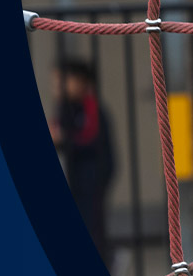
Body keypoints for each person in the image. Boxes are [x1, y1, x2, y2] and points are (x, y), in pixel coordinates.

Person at [49, 59, 115, 265]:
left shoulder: (91, 107)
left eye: (62, 80)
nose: (57, 86)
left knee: (92, 225)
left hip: (93, 176)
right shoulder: (65, 108)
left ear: (80, 81)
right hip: (75, 176)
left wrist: (63, 138)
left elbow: (89, 139)